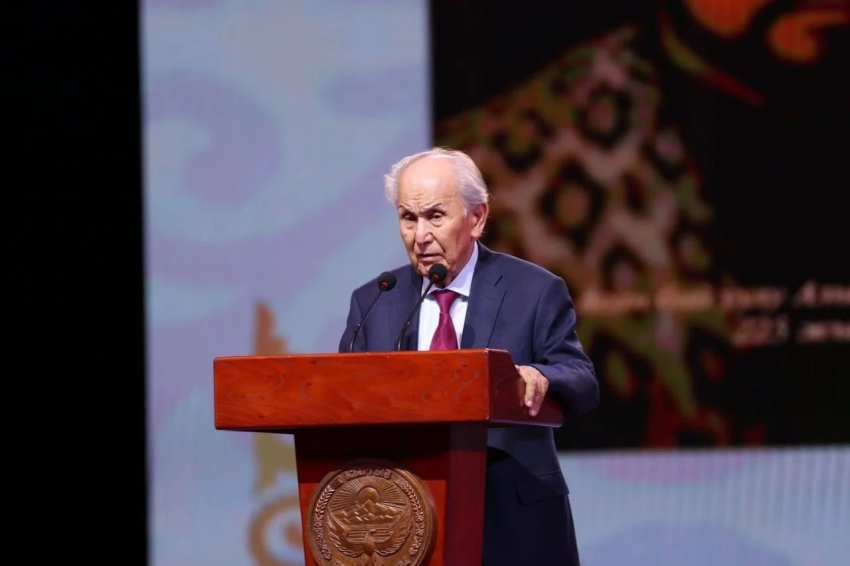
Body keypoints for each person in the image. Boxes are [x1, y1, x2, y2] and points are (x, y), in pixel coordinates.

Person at [339, 147, 599, 565]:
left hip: (514, 525)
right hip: (403, 523)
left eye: (435, 216)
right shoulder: (377, 300)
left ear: (477, 218)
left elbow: (582, 379)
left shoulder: (533, 290)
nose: (420, 235)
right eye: (408, 218)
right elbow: (343, 399)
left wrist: (541, 376)